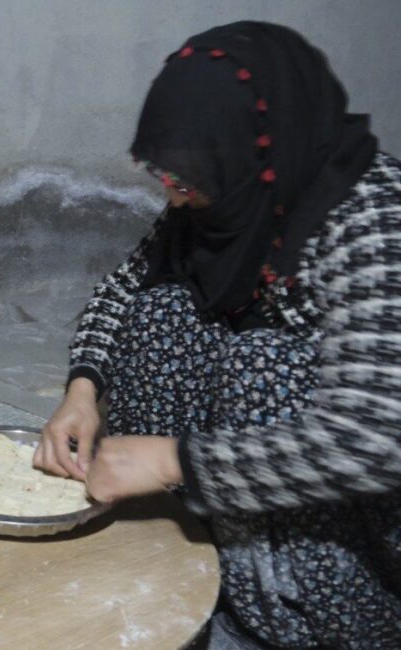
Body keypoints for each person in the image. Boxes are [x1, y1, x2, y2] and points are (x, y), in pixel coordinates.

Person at [35, 22, 401, 649]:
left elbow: (375, 438)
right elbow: (121, 291)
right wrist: (83, 389)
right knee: (164, 309)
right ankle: (180, 549)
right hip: (224, 485)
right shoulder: (229, 191)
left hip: (346, 534)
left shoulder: (372, 217)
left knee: (262, 363)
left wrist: (176, 460)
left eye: (186, 185)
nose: (175, 202)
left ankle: (276, 616)